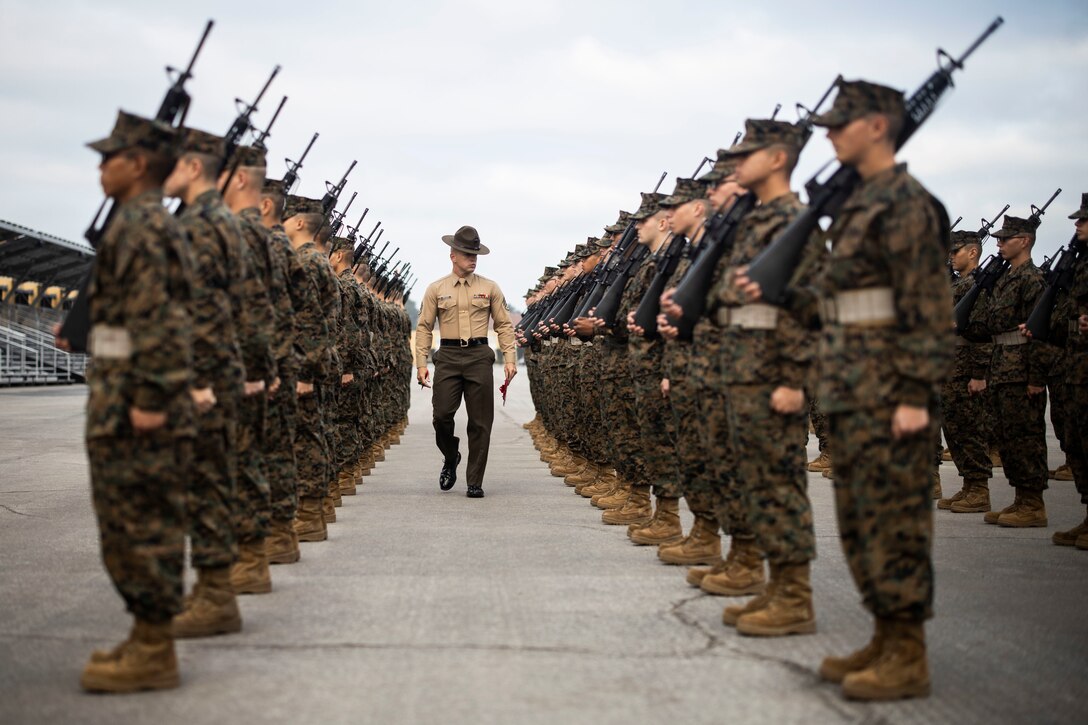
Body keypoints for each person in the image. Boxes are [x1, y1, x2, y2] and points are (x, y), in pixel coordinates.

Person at [737, 78, 953, 700]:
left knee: (897, 523)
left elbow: (927, 307)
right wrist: (781, 291)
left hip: (891, 394)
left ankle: (907, 652)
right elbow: (844, 299)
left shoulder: (906, 204)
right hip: (855, 391)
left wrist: (915, 394)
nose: (828, 135)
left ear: (879, 126)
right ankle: (885, 636)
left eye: (840, 124)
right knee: (861, 521)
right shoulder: (859, 204)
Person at [68, 110, 196, 693]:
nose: (101, 167)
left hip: (136, 403)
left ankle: (153, 647)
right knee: (124, 519)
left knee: (141, 519)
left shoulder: (144, 227)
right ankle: (148, 636)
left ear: (138, 163)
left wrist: (149, 398)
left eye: (108, 156)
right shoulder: (134, 222)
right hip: (119, 393)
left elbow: (163, 321)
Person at [162, 127, 247, 637]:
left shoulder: (204, 226)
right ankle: (215, 589)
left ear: (194, 167)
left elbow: (207, 311)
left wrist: (195, 378)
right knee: (212, 481)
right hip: (217, 374)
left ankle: (213, 594)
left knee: (207, 484)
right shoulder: (216, 223)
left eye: (171, 161)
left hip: (204, 379)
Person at [415, 226, 517, 498]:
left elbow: (504, 325)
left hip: (478, 358)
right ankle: (451, 456)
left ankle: (475, 481)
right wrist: (421, 363)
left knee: (481, 422)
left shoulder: (490, 287)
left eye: (476, 254)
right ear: (453, 255)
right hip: (447, 358)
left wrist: (509, 358)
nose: (473, 259)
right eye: (467, 254)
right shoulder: (436, 289)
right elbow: (424, 326)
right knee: (441, 416)